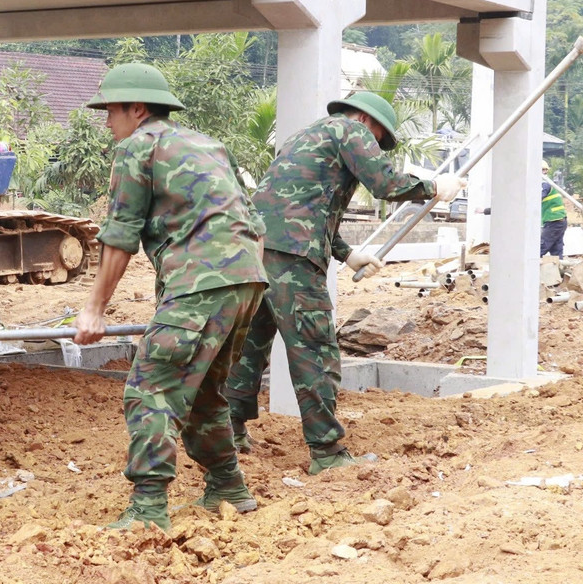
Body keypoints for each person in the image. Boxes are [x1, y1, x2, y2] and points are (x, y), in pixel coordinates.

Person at [221, 92, 463, 472]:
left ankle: (229, 435)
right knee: (315, 352)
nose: (377, 147)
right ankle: (327, 453)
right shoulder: (353, 130)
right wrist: (434, 187)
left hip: (255, 250)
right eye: (380, 140)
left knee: (248, 346)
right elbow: (385, 183)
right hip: (294, 261)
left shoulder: (302, 138)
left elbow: (301, 206)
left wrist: (347, 253)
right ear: (370, 123)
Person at [73, 63, 266, 533]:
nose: (107, 122)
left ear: (136, 109)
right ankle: (228, 486)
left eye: (111, 111)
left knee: (151, 389)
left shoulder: (138, 146)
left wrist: (94, 307)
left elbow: (120, 235)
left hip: (201, 285)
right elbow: (254, 225)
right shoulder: (208, 145)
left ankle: (147, 508)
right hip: (246, 282)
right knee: (201, 391)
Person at [540, 159, 567, 258]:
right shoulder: (547, 183)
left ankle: (526, 271)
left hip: (554, 221)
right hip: (559, 221)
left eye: (544, 170)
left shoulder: (544, 185)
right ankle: (559, 272)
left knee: (538, 248)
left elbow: (535, 200)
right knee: (556, 252)